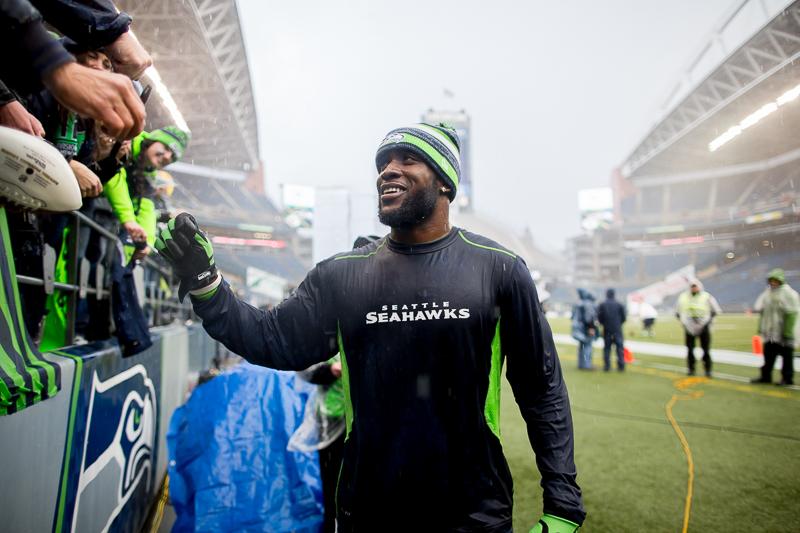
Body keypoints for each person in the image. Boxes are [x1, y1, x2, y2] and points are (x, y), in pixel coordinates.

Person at [155, 123, 586, 533]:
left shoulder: (499, 269)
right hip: (370, 510)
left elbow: (540, 386)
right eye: (384, 162)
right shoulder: (342, 275)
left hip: (474, 511)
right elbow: (271, 341)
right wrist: (205, 282)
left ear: (445, 184)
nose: (388, 170)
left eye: (408, 159)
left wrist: (562, 500)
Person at [0, 0, 148, 140]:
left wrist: (113, 28)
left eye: (106, 64)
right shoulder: (43, 90)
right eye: (91, 56)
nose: (97, 67)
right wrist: (57, 66)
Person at [104, 126, 190, 263]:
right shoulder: (125, 145)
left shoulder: (149, 177)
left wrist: (148, 241)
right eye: (166, 148)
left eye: (172, 157)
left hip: (105, 215)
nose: (167, 156)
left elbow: (147, 208)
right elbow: (113, 179)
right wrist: (129, 220)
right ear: (152, 141)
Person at [750, 268, 798, 386]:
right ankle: (765, 376)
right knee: (768, 356)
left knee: (786, 357)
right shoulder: (768, 293)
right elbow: (763, 311)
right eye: (771, 280)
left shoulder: (787, 293)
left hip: (782, 331)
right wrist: (762, 328)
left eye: (775, 280)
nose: (773, 282)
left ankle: (787, 378)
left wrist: (787, 331)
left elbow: (793, 312)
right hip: (770, 332)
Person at [675, 280, 722, 377]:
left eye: (695, 286)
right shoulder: (683, 297)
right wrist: (685, 323)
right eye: (692, 287)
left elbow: (715, 310)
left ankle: (708, 370)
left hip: (704, 327)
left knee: (705, 350)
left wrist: (705, 323)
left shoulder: (706, 296)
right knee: (690, 350)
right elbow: (677, 311)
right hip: (689, 328)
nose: (694, 288)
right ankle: (691, 370)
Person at [597, 288, 626, 372]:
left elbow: (600, 317)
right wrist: (618, 324)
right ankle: (621, 366)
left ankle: (607, 366)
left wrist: (605, 324)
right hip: (617, 328)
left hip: (607, 328)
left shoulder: (603, 304)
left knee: (607, 348)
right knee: (619, 347)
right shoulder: (619, 304)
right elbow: (624, 317)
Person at [572, 288, 598, 370]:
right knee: (587, 346)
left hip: (578, 328)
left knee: (582, 346)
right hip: (585, 329)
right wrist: (590, 327)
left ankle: (581, 364)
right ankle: (587, 365)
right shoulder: (587, 304)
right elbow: (588, 317)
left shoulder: (579, 303)